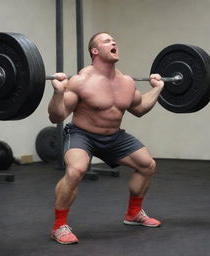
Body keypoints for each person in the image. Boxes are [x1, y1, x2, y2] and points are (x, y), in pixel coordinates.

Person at [48, 32, 164, 245]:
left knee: (147, 165)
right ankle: (59, 226)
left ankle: (133, 214)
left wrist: (157, 90)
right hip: (82, 135)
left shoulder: (126, 82)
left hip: (114, 137)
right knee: (75, 171)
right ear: (95, 51)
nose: (113, 42)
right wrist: (57, 93)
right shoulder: (81, 81)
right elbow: (57, 115)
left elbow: (139, 108)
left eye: (113, 40)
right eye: (106, 40)